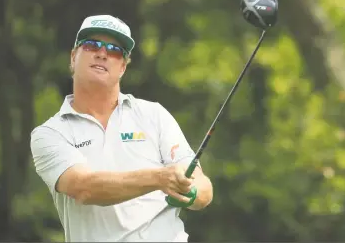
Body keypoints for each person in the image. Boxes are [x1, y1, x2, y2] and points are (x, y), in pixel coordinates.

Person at [30, 15, 213, 242]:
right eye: (91, 45)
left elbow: (202, 186)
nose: (102, 53)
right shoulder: (50, 133)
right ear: (73, 56)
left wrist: (190, 192)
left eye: (115, 50)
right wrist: (159, 178)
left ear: (123, 67)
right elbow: (84, 188)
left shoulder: (153, 115)